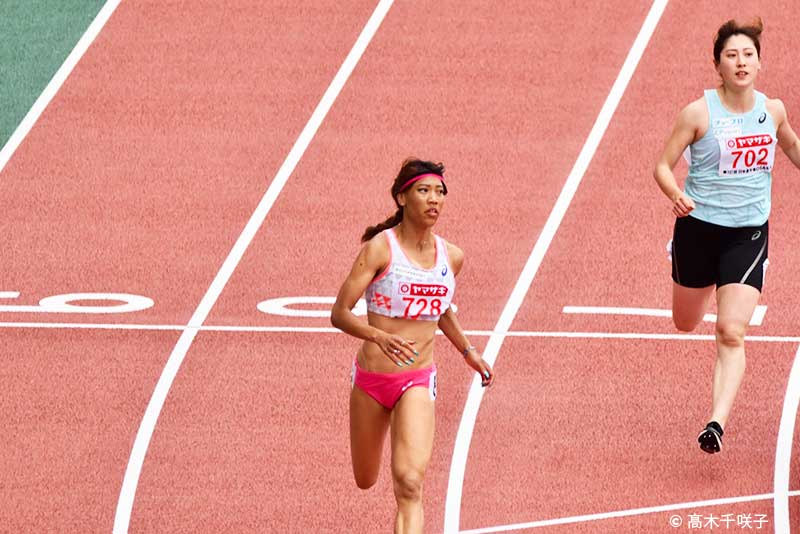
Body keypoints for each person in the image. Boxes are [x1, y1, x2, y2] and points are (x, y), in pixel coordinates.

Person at [654, 17, 800, 454]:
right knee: (685, 323)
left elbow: (791, 146)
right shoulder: (698, 113)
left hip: (748, 233)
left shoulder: (771, 110)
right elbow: (662, 165)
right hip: (698, 230)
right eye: (732, 55)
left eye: (748, 55)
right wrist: (675, 193)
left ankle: (715, 423)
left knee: (731, 331)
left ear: (759, 63)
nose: (741, 62)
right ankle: (686, 269)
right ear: (717, 64)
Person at [331, 158, 494, 532]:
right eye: (424, 191)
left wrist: (469, 352)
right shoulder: (380, 249)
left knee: (409, 484)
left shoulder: (451, 257)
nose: (433, 200)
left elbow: (440, 309)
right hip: (373, 381)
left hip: (417, 381)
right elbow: (339, 313)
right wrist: (378, 336)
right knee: (366, 478)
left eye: (440, 192)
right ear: (402, 197)